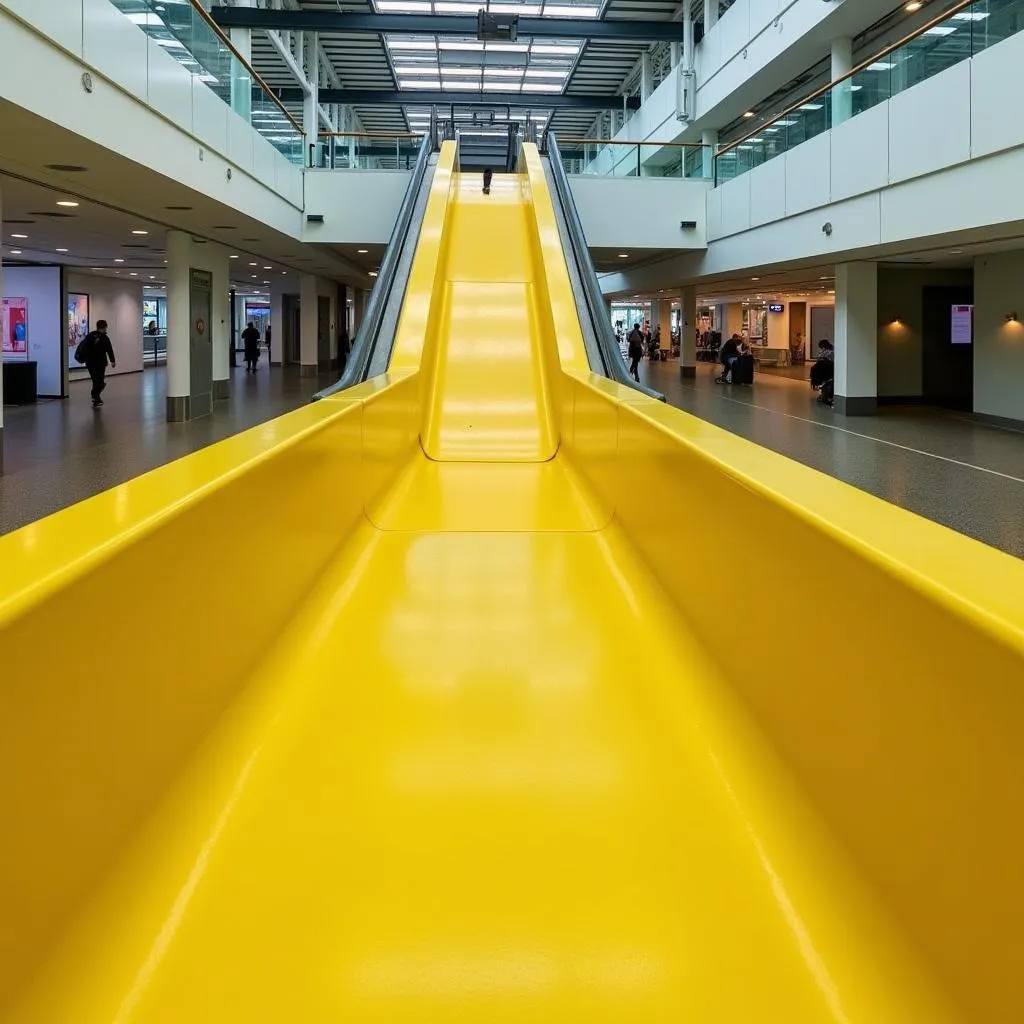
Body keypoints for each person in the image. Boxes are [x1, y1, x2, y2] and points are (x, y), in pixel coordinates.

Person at [80, 319, 116, 406]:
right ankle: (95, 397)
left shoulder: (90, 335)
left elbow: (83, 347)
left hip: (90, 362)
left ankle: (95, 397)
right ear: (104, 327)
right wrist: (112, 361)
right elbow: (109, 350)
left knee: (95, 380)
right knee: (99, 381)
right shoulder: (105, 337)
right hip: (100, 363)